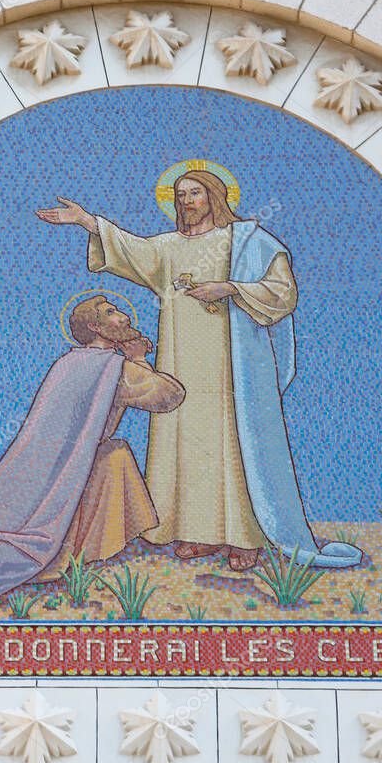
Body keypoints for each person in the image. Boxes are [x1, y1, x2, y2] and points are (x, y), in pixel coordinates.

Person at [37, 169, 361, 572]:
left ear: (214, 197)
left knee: (234, 444)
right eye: (180, 194)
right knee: (187, 443)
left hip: (233, 369)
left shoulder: (245, 241)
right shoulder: (168, 248)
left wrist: (231, 288)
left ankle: (246, 538)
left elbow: (283, 291)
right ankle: (196, 531)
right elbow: (130, 248)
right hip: (182, 365)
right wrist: (87, 220)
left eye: (195, 193)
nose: (187, 201)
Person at [0, 295, 185, 606]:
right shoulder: (113, 368)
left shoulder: (70, 362)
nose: (124, 316)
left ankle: (89, 550)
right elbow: (168, 396)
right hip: (65, 468)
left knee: (115, 455)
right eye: (112, 313)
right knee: (23, 547)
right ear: (97, 327)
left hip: (40, 465)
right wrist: (138, 358)